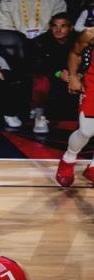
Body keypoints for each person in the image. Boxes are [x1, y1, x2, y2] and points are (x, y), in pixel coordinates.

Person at [56, 28, 94, 186]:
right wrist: (72, 76)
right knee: (86, 131)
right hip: (92, 83)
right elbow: (76, 52)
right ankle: (68, 159)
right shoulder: (90, 33)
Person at [30, 12, 78, 133]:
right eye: (55, 26)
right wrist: (58, 73)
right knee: (41, 82)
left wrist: (75, 74)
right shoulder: (40, 41)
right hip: (51, 75)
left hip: (73, 74)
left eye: (63, 26)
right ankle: (40, 116)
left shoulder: (79, 41)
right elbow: (39, 66)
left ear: (71, 28)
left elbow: (86, 62)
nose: (58, 30)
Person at [0, 0, 67, 39]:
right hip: (17, 42)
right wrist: (21, 38)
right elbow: (5, 27)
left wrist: (42, 38)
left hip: (48, 41)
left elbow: (58, 24)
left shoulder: (57, 2)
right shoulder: (7, 2)